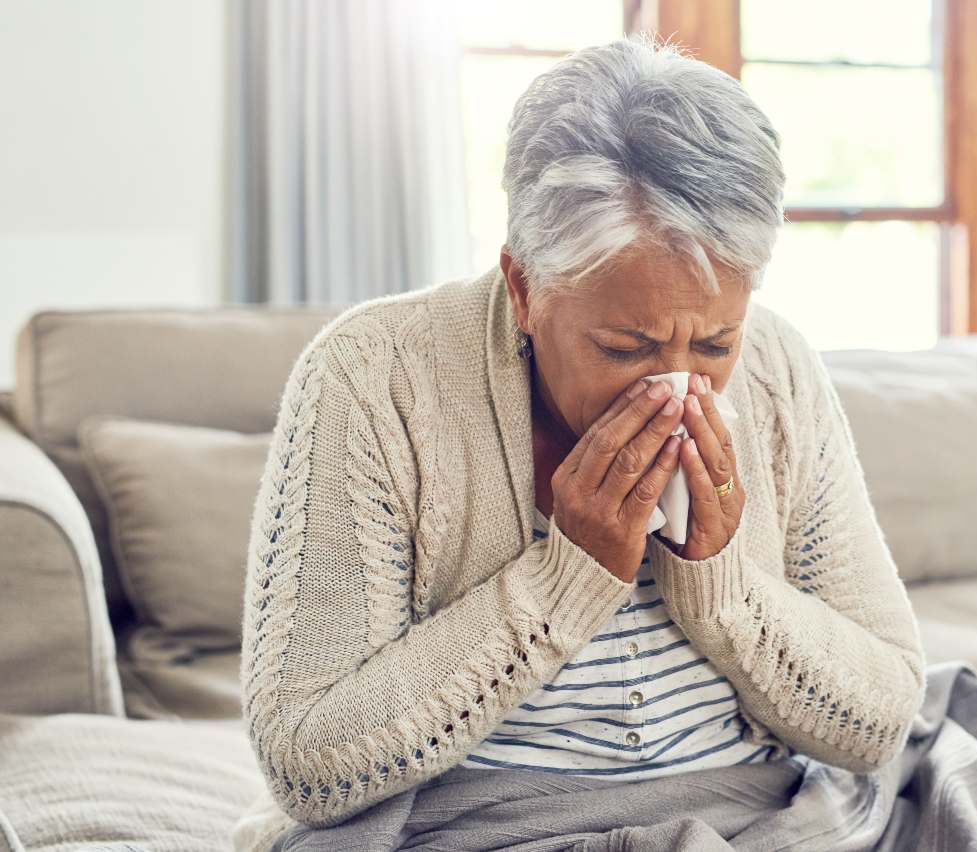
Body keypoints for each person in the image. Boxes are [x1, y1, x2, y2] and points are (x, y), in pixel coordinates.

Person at [232, 32, 926, 852]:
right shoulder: (373, 378)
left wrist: (724, 587)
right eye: (625, 349)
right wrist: (564, 579)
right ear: (524, 287)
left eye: (713, 346)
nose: (675, 391)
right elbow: (310, 760)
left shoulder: (780, 367)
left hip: (766, 820)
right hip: (482, 828)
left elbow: (881, 718)